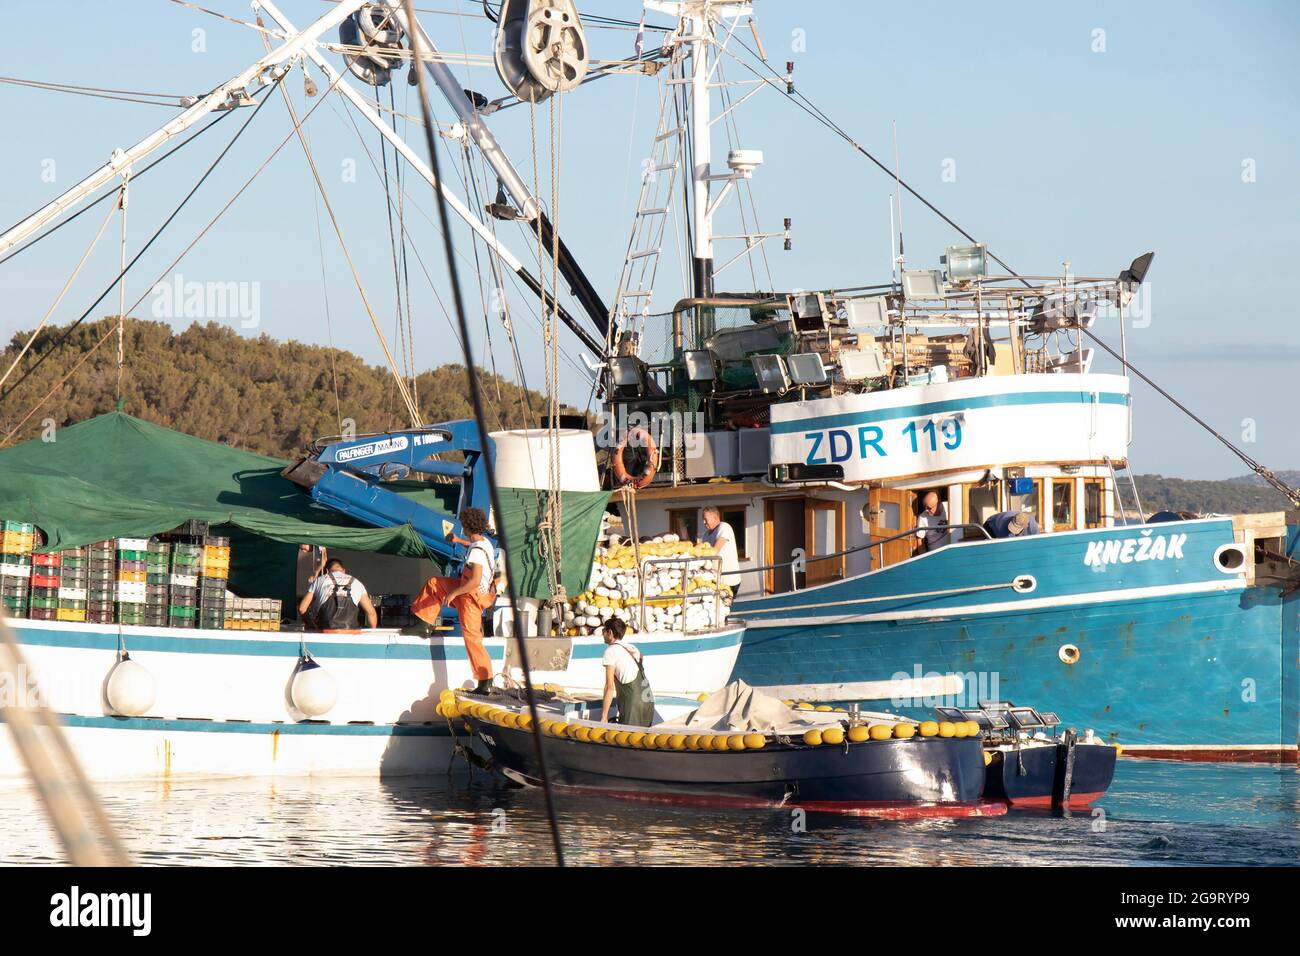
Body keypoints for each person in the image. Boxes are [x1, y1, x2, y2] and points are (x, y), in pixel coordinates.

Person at [411, 507, 499, 695]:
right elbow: (474, 546)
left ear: (467, 526)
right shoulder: (484, 543)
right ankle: (424, 624)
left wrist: (453, 594)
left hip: (470, 596)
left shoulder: (476, 552)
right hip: (470, 592)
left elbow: (475, 580)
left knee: (472, 639)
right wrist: (459, 541)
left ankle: (485, 681)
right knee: (435, 584)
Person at [599, 617, 654, 727]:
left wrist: (604, 715)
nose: (603, 634)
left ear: (609, 632)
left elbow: (609, 687)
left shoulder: (610, 651)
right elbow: (641, 660)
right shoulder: (632, 647)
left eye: (603, 631)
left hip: (633, 704)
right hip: (648, 701)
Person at [298, 558, 377, 630]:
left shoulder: (320, 580)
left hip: (326, 632)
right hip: (350, 632)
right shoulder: (357, 583)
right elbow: (371, 613)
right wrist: (372, 633)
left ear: (327, 571)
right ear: (344, 570)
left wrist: (311, 625)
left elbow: (302, 608)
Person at [700, 506, 743, 597]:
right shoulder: (705, 534)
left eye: (705, 519)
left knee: (724, 607)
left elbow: (715, 551)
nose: (704, 522)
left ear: (715, 518)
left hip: (728, 580)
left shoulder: (724, 527)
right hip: (715, 580)